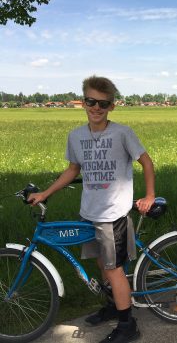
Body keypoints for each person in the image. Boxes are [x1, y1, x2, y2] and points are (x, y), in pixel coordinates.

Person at [28, 75, 155, 343]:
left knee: (113, 269)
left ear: (111, 106)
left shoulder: (122, 133)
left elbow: (146, 162)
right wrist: (45, 193)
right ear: (83, 101)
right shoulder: (76, 136)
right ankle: (113, 306)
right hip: (89, 212)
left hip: (113, 214)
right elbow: (73, 169)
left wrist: (150, 194)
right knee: (101, 264)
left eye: (103, 103)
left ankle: (127, 325)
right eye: (90, 101)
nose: (96, 108)